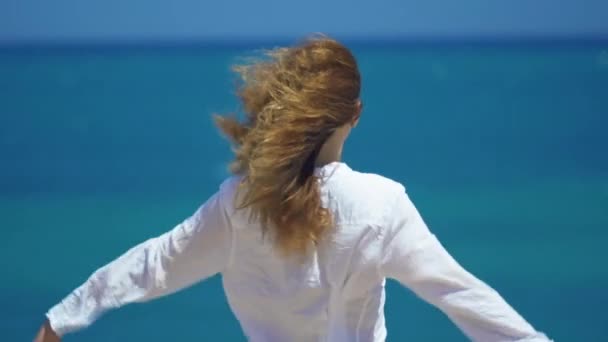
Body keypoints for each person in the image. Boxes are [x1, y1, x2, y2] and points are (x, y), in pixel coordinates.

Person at [34, 36, 551, 342]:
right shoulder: (381, 204)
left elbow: (156, 265)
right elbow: (460, 296)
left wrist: (60, 321)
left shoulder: (241, 201)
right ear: (355, 116)